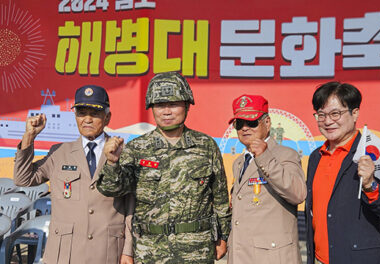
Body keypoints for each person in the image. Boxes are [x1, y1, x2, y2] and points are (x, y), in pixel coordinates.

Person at [96, 72, 231, 263]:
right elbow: (112, 189)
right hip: (151, 250)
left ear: (186, 105)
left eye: (173, 104)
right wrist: (112, 163)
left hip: (196, 250)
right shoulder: (137, 148)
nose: (166, 111)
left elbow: (220, 198)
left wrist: (223, 236)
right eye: (159, 105)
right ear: (152, 108)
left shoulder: (205, 145)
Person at [14, 85, 134, 264]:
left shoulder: (123, 153)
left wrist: (128, 250)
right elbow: (23, 178)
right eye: (81, 113)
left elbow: (131, 206)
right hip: (65, 254)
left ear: (107, 117)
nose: (87, 119)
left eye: (94, 113)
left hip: (108, 252)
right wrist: (29, 137)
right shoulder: (60, 152)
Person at [305, 82, 380, 264]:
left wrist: (370, 185)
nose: (328, 121)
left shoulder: (373, 153)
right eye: (321, 114)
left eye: (335, 113)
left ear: (355, 113)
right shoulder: (315, 157)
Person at [227, 94, 307, 264]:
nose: (245, 128)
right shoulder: (239, 162)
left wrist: (264, 157)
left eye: (252, 122)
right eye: (239, 124)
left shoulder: (285, 155)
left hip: (272, 258)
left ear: (267, 123)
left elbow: (298, 194)